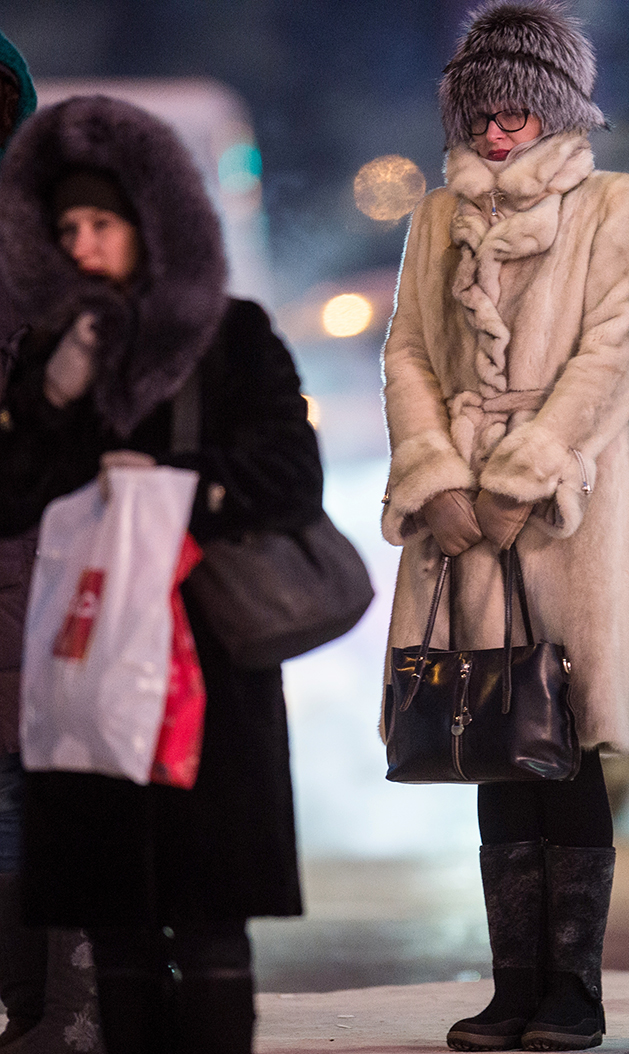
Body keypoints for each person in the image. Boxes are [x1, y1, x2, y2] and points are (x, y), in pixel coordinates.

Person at [0, 95, 323, 1052]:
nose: (86, 245)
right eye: (67, 230)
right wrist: (50, 407)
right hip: (91, 667)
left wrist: (184, 485)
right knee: (119, 928)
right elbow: (11, 498)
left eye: (102, 224)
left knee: (213, 923)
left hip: (205, 670)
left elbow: (290, 477)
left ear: (150, 222)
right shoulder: (58, 355)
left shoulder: (233, 336)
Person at [378, 2, 629, 1049]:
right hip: (460, 512)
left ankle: (573, 989)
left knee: (566, 738)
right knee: (490, 739)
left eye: (517, 112)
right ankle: (514, 984)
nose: (497, 132)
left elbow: (613, 353)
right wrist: (439, 477)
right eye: (482, 113)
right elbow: (406, 349)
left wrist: (523, 472)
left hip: (563, 507)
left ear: (555, 110)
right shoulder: (435, 219)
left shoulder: (614, 205)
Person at [0, 34, 107, 1054]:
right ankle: (39, 1005)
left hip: (39, 556)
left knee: (40, 782)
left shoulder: (45, 243)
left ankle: (60, 1007)